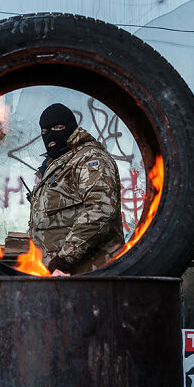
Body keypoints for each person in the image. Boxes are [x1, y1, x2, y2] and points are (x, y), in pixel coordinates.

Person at [27, 103, 124, 275]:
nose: (50, 135)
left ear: (71, 127)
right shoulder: (55, 163)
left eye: (58, 127)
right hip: (58, 272)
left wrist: (65, 259)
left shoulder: (89, 158)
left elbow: (101, 210)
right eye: (44, 131)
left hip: (90, 273)